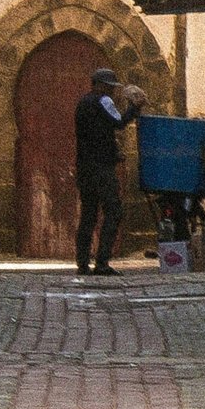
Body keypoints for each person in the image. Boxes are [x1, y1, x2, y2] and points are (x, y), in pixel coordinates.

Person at [74, 67, 145, 276]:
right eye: (109, 87)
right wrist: (134, 108)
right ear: (100, 85)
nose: (112, 91)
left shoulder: (82, 103)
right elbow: (118, 123)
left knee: (88, 214)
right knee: (113, 211)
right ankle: (102, 261)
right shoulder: (103, 100)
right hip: (102, 168)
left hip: (85, 167)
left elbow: (95, 135)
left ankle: (82, 263)